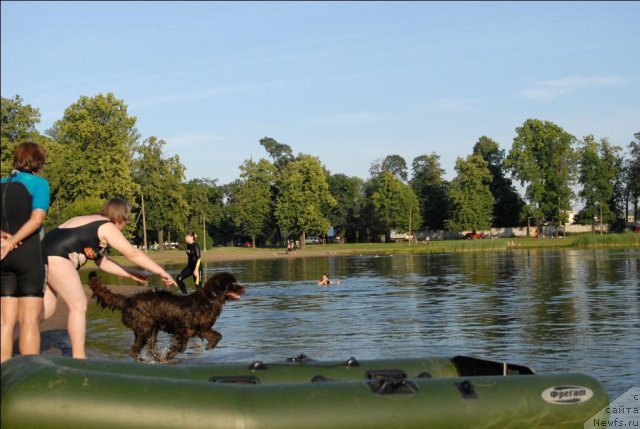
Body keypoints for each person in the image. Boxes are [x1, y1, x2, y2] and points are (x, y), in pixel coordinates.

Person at [41, 198, 177, 359]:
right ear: (121, 217)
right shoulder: (107, 226)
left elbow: (103, 262)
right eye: (126, 218)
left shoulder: (90, 223)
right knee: (78, 304)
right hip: (57, 257)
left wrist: (131, 273)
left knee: (45, 308)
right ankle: (79, 358)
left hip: (40, 255)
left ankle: (5, 338)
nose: (126, 223)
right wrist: (162, 272)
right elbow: (133, 253)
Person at [1, 142, 50, 363]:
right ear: (38, 161)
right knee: (29, 321)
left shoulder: (1, 183)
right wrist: (13, 240)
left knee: (5, 322)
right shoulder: (40, 184)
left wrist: (4, 240)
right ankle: (29, 375)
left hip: (3, 257)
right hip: (28, 255)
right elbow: (37, 219)